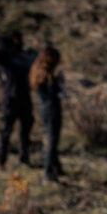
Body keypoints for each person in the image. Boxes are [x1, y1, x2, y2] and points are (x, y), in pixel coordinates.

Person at [0, 28, 36, 169]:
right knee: (6, 130)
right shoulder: (4, 55)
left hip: (25, 97)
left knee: (25, 131)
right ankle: (1, 162)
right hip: (10, 98)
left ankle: (24, 160)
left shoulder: (23, 55)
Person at [29, 45, 65, 183]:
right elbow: (53, 93)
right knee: (52, 141)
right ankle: (49, 173)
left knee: (52, 139)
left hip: (45, 107)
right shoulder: (47, 76)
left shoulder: (37, 72)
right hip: (52, 108)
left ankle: (56, 167)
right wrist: (59, 82)